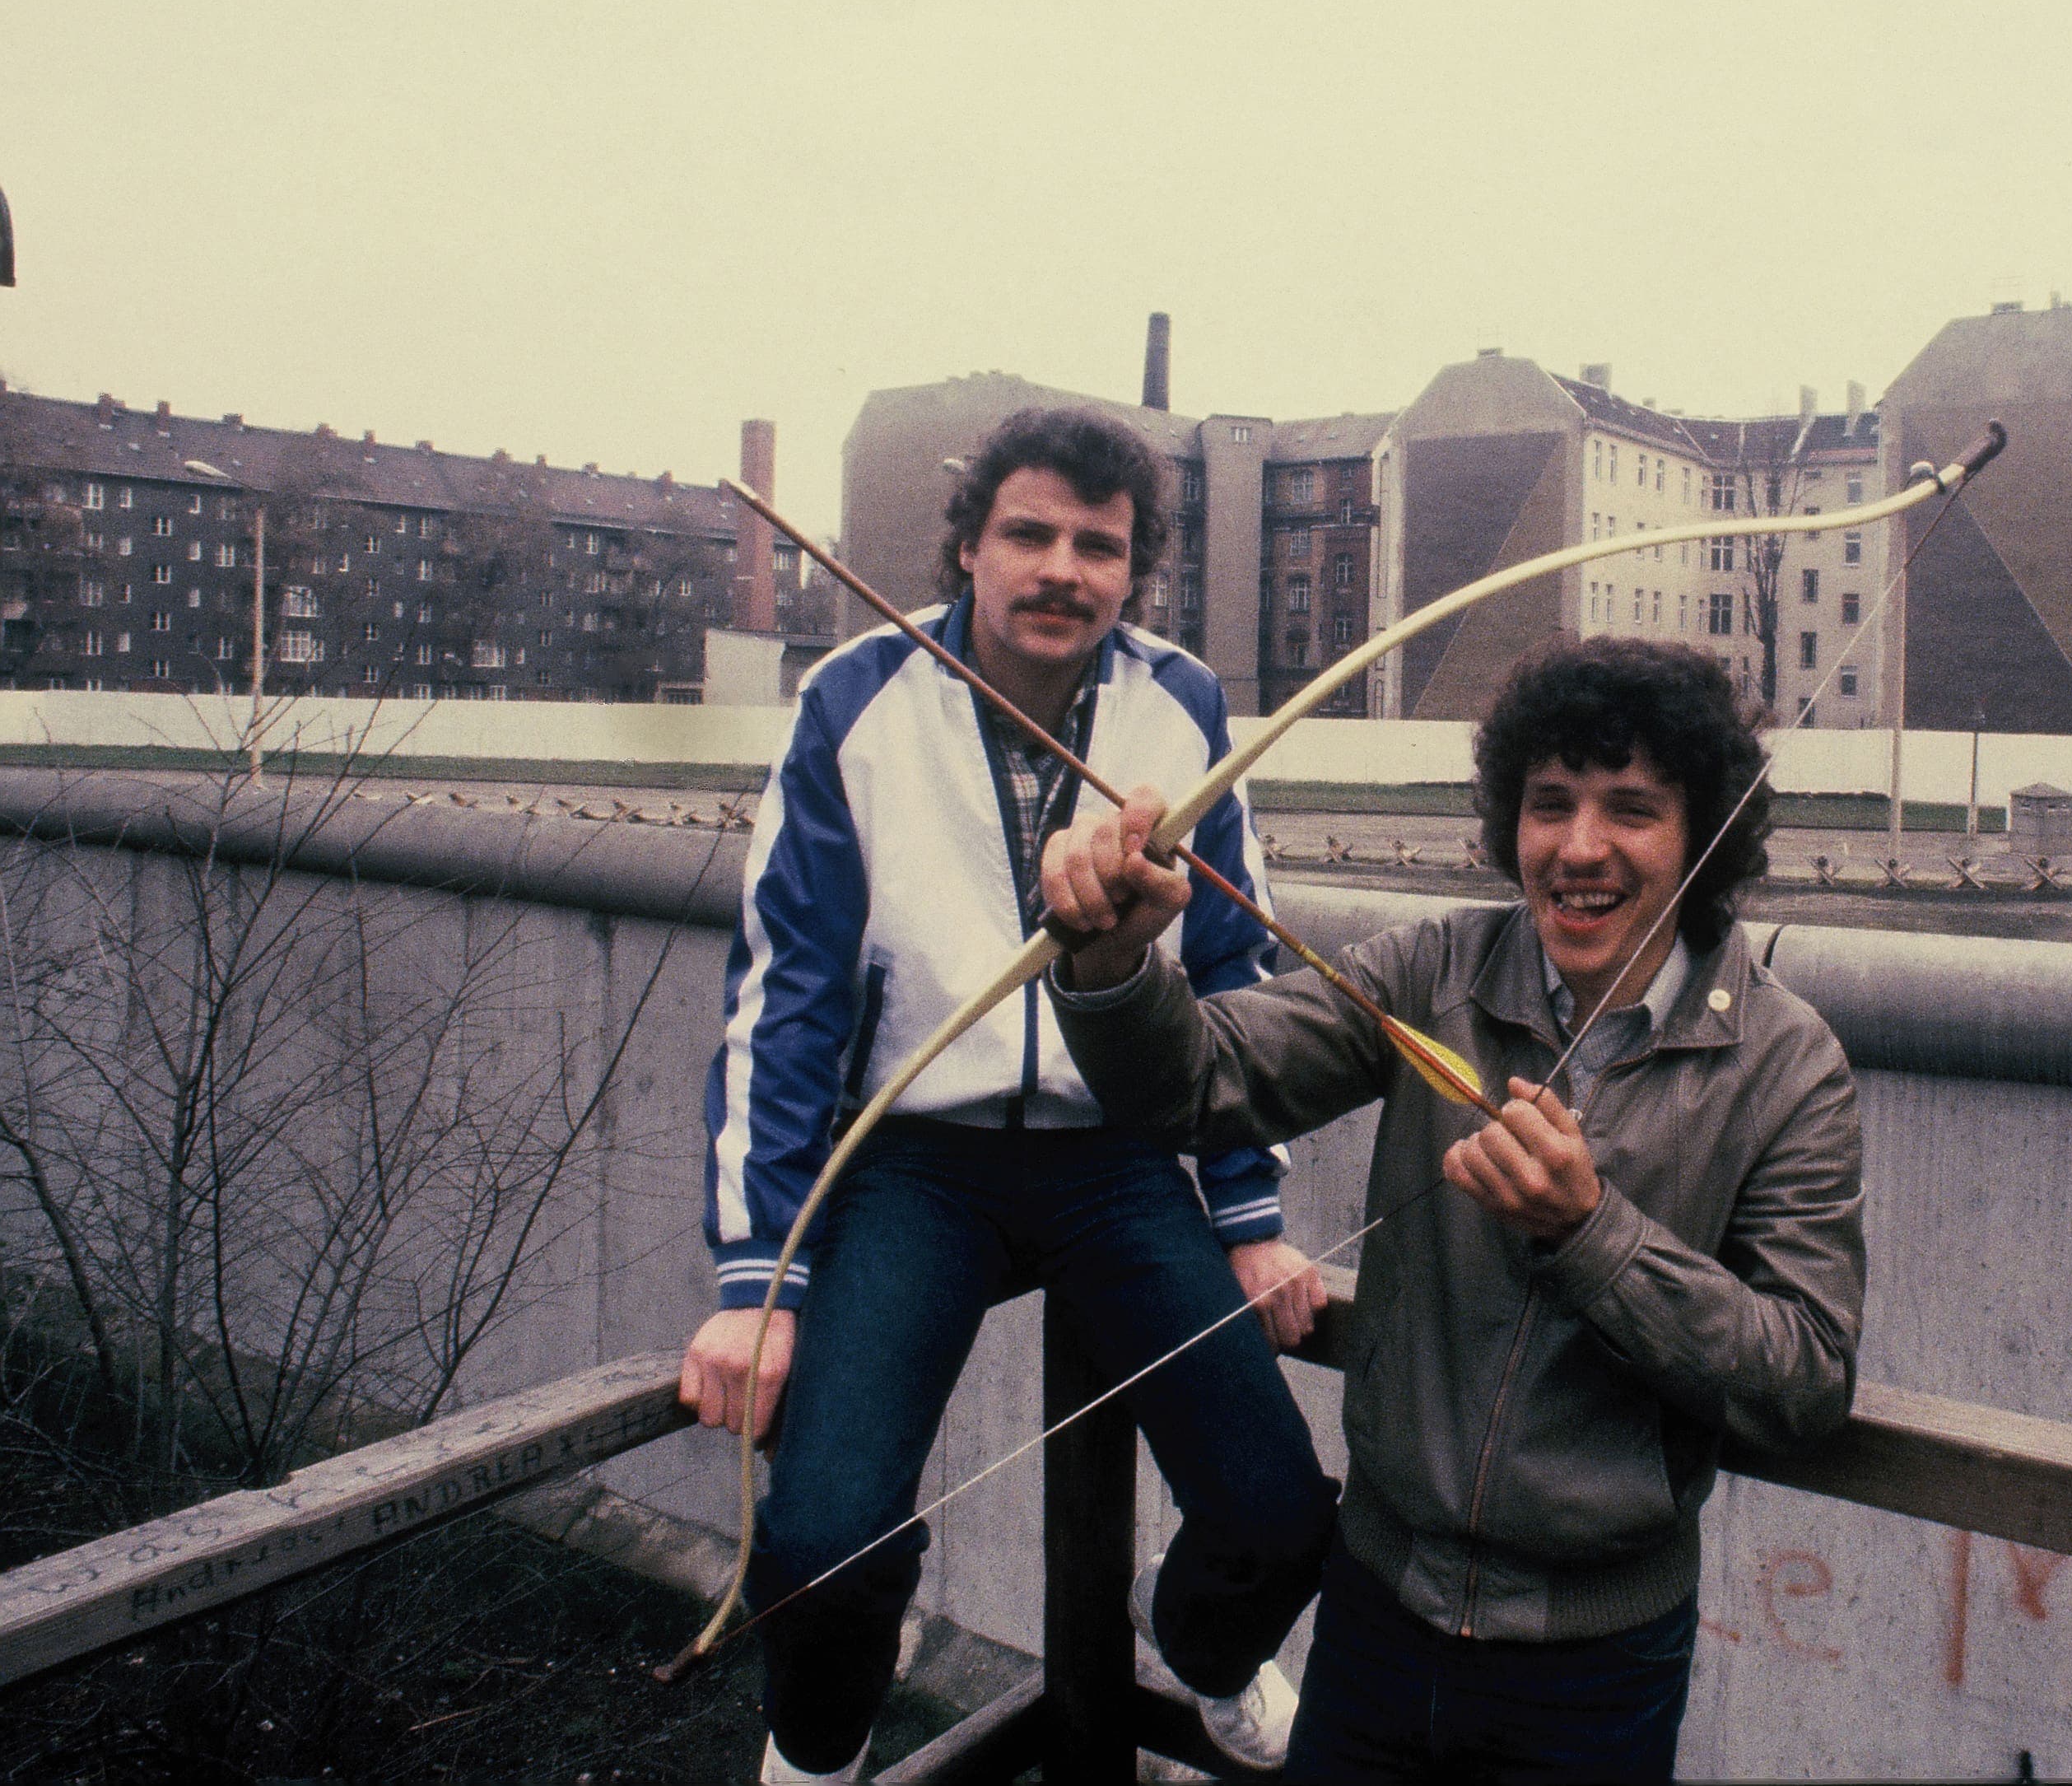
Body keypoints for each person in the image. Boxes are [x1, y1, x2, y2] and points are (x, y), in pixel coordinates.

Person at [1039, 636, 1864, 1784]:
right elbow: (1196, 1083)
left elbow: (1805, 1379)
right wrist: (1115, 967)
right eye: (1548, 804)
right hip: (1375, 1612)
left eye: (1631, 808)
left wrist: (1591, 1234)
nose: (1579, 847)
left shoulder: (1788, 1064)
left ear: (1702, 832)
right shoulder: (1434, 967)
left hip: (1596, 1667)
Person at [680, 406, 1339, 1784]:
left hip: (1119, 1161)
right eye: (1029, 534)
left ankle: (1207, 1655)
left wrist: (1248, 1207)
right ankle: (819, 1744)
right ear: (968, 546)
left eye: (1098, 547)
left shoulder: (1181, 700)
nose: (1063, 570)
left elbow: (1235, 965)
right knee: (819, 1542)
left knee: (1278, 1514)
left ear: (1131, 570)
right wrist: (758, 1276)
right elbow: (785, 993)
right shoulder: (856, 697)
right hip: (918, 1167)